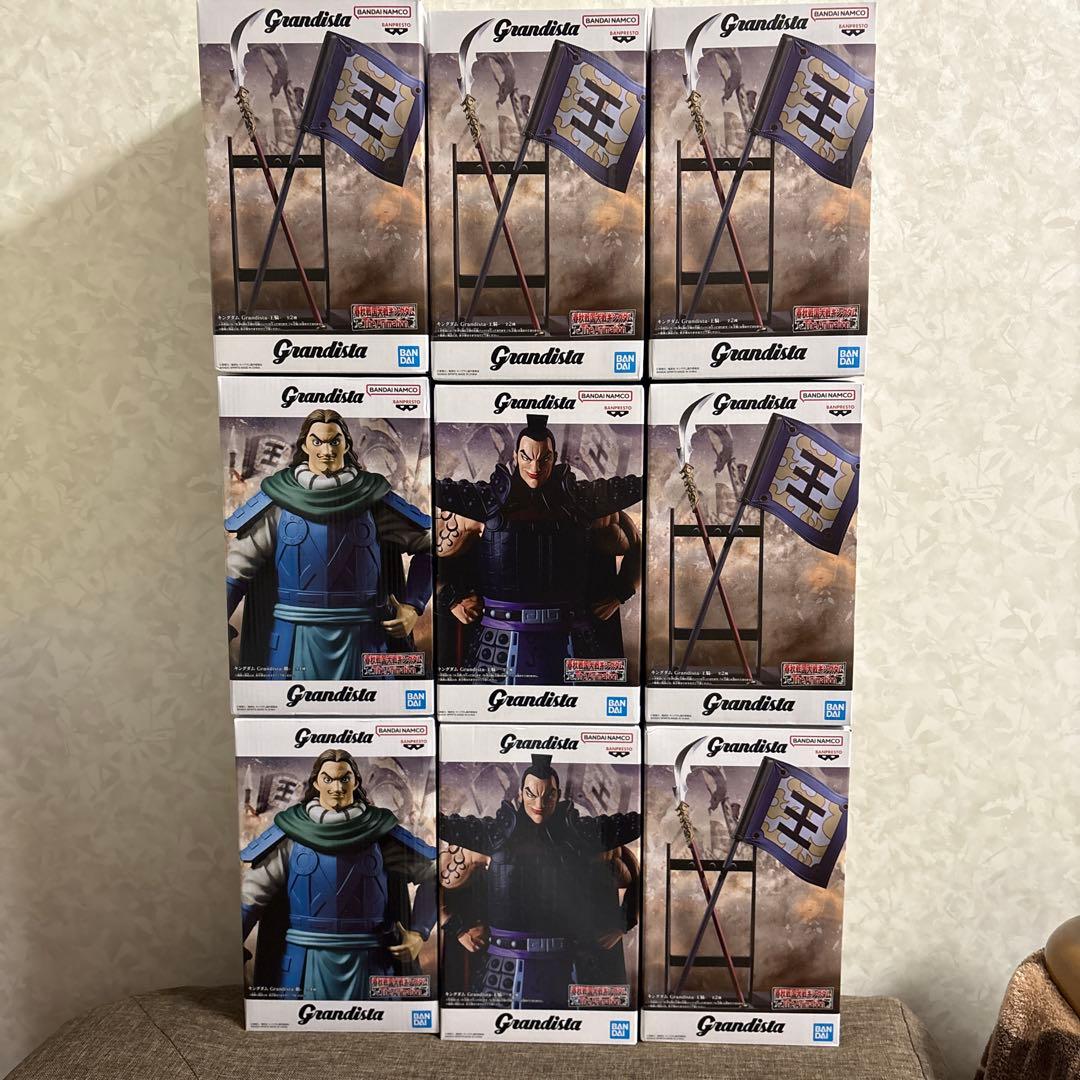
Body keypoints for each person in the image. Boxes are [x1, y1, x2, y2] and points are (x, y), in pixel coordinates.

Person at [225, 409, 431, 680]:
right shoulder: (278, 501)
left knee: (375, 702)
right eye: (317, 441)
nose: (326, 450)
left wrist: (413, 606)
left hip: (365, 637)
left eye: (334, 441)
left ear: (346, 444)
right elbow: (238, 567)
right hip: (293, 640)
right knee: (289, 702)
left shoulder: (372, 498)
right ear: (305, 445)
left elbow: (428, 547)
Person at [435, 414, 641, 684]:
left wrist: (620, 593)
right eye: (527, 457)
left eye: (544, 458)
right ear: (516, 456)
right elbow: (428, 553)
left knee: (581, 705)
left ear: (554, 458)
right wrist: (450, 598)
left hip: (573, 636)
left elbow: (636, 544)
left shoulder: (583, 504)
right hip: (499, 639)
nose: (535, 467)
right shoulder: (484, 505)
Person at [438, 754, 640, 1009]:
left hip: (570, 964)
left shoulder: (583, 838)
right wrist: (457, 928)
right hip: (506, 965)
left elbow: (632, 870)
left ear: (558, 795)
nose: (539, 804)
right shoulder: (492, 838)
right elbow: (438, 877)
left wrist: (623, 923)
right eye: (531, 794)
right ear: (521, 794)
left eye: (548, 795)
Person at [241, 749, 436, 1000]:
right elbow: (252, 895)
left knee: (380, 1017)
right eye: (328, 779)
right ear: (316, 783)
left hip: (372, 960)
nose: (337, 787)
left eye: (344, 778)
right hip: (303, 963)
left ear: (355, 782)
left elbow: (433, 875)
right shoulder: (290, 833)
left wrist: (418, 932)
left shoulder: (381, 832)